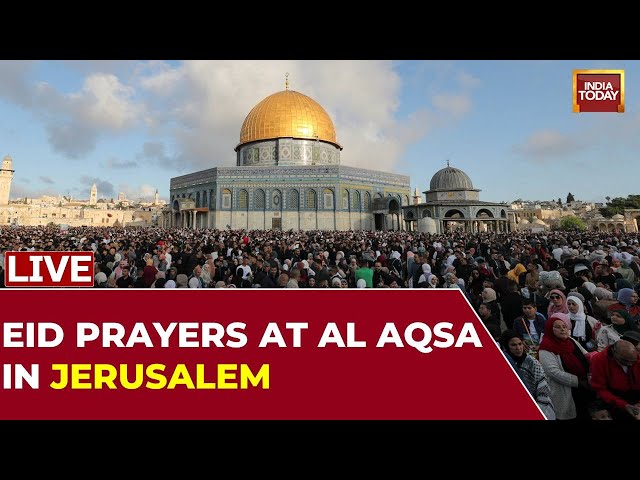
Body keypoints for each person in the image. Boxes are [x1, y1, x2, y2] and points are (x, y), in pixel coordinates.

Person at [538, 314, 594, 420]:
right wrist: (578, 382)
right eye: (557, 327)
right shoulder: (546, 348)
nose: (562, 330)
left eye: (564, 327)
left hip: (584, 387)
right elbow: (553, 372)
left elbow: (587, 356)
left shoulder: (571, 341)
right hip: (566, 390)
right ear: (550, 329)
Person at [498, 329, 556, 420]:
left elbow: (542, 385)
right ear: (506, 346)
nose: (518, 348)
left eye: (520, 344)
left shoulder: (531, 361)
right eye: (513, 345)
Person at [589, 340, 640, 421]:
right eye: (625, 361)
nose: (630, 364)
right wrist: (624, 405)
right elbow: (600, 389)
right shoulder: (599, 360)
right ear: (613, 352)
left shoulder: (637, 356)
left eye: (633, 361)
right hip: (614, 399)